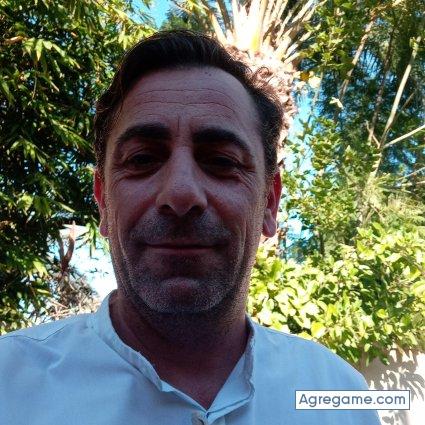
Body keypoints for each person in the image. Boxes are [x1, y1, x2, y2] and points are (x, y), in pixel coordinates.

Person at [0, 30, 381, 425]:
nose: (181, 194)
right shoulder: (8, 386)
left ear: (269, 202)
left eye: (221, 161)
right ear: (104, 202)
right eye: (143, 159)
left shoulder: (341, 397)